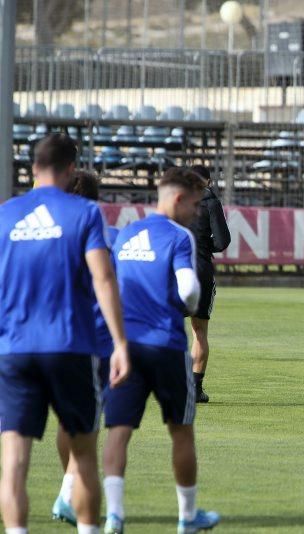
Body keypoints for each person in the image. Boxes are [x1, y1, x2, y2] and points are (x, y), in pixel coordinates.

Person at [0, 134, 130, 534]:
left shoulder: (5, 214)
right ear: (71, 168)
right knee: (84, 454)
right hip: (70, 345)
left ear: (32, 168)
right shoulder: (83, 213)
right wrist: (121, 342)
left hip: (14, 349)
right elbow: (103, 276)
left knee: (14, 459)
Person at [102, 167, 220, 534]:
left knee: (118, 431)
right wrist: (190, 304)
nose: (198, 212)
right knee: (181, 432)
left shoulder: (126, 234)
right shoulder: (178, 236)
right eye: (196, 205)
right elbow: (187, 289)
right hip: (166, 345)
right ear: (178, 198)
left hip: (126, 346)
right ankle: (187, 517)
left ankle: (115, 516)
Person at [51, 170, 122, 526]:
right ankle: (72, 496)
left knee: (71, 420)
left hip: (64, 338)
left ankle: (69, 489)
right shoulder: (114, 236)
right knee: (99, 425)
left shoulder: (56, 236)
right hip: (103, 342)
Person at [187, 164, 230, 403]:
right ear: (208, 182)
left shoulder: (176, 200)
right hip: (200, 269)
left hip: (174, 269)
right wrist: (204, 247)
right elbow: (223, 241)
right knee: (199, 331)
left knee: (168, 328)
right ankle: (195, 388)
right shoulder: (211, 203)